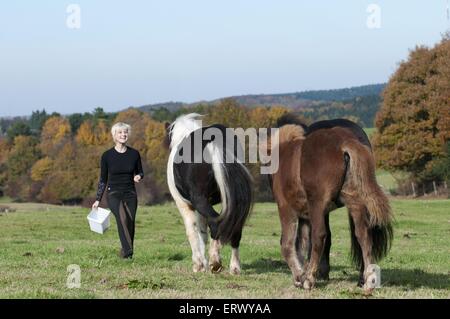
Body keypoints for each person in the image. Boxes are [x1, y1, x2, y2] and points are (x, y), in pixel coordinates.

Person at [92, 122, 144, 259]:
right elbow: (103, 179)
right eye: (120, 132)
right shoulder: (107, 156)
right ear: (114, 135)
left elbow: (140, 172)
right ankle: (128, 252)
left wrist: (139, 176)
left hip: (130, 193)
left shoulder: (134, 154)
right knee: (122, 218)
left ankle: (125, 251)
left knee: (130, 221)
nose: (123, 135)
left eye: (125, 132)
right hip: (113, 193)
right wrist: (97, 199)